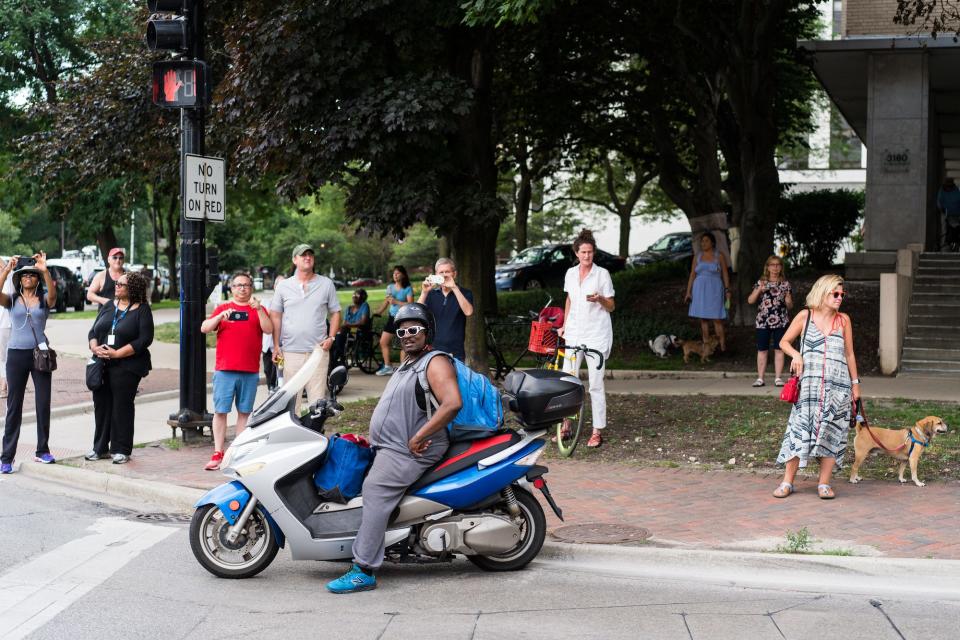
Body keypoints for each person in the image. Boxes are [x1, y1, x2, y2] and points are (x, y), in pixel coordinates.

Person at [326, 303, 461, 594]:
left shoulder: (435, 361)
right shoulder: (409, 361)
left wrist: (419, 436)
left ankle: (363, 569)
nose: (407, 335)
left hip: (412, 448)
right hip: (392, 446)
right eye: (402, 331)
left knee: (375, 489)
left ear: (428, 332)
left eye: (414, 329)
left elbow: (452, 403)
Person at [773, 274, 860, 500]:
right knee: (799, 430)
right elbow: (783, 342)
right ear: (823, 292)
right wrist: (795, 354)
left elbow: (849, 354)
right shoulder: (805, 316)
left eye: (842, 294)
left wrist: (855, 386)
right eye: (836, 293)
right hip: (808, 388)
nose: (840, 297)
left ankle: (823, 484)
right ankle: (787, 482)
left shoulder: (844, 321)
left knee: (832, 431)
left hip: (837, 388)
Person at [200, 272, 273, 471]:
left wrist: (259, 310)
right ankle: (218, 452)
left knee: (244, 412)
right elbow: (204, 328)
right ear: (231, 288)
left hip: (249, 370)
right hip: (225, 370)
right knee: (221, 411)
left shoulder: (258, 309)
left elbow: (268, 329)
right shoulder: (223, 308)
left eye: (247, 285)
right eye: (239, 285)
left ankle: (238, 452)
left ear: (251, 288)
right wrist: (219, 318)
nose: (243, 288)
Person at [85, 272, 154, 464]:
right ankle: (99, 448)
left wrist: (117, 353)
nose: (116, 286)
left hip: (127, 365)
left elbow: (144, 340)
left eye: (121, 284)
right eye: (116, 283)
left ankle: (121, 449)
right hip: (102, 364)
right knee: (101, 406)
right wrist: (94, 346)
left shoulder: (142, 310)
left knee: (121, 407)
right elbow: (93, 331)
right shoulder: (108, 306)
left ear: (132, 288)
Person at [557, 229, 615, 449]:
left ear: (594, 253)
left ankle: (596, 431)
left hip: (596, 335)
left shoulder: (602, 275)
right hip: (574, 333)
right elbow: (570, 299)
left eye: (590, 252)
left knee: (595, 384)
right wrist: (564, 324)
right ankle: (566, 424)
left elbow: (612, 306)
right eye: (583, 252)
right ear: (577, 252)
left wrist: (600, 298)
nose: (587, 256)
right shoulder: (571, 274)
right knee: (568, 381)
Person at [0, 253, 57, 474]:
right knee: (14, 406)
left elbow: (53, 295)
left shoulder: (44, 300)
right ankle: (6, 457)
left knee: (43, 404)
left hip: (39, 356)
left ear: (37, 279)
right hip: (16, 356)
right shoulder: (12, 299)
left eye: (32, 275)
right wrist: (7, 269)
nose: (28, 278)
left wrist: (45, 269)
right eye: (24, 275)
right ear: (19, 278)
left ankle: (42, 450)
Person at [269, 244, 341, 411]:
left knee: (317, 403)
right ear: (295, 260)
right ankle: (293, 436)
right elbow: (276, 316)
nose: (307, 258)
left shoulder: (326, 284)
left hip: (318, 351)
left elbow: (336, 313)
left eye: (310, 255)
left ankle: (315, 435)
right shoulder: (283, 286)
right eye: (303, 255)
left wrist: (331, 337)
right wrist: (276, 346)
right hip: (291, 352)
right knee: (291, 403)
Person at [746, 255, 793, 387]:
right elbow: (750, 300)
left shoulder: (785, 284)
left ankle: (778, 378)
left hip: (781, 320)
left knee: (779, 349)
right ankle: (760, 378)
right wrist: (759, 289)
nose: (775, 267)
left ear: (781, 267)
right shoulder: (761, 282)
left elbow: (790, 306)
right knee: (762, 349)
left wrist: (788, 301)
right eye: (772, 265)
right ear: (767, 267)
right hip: (763, 321)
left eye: (778, 265)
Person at [417, 257, 474, 361]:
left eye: (447, 272)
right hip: (432, 348)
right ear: (436, 275)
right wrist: (424, 292)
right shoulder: (430, 294)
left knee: (454, 377)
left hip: (456, 350)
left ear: (454, 274)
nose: (444, 275)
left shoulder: (465, 293)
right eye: (441, 272)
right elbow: (416, 313)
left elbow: (468, 312)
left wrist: (454, 288)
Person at [684, 231, 731, 352]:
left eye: (706, 241)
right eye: (702, 241)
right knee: (703, 319)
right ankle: (706, 347)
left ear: (712, 243)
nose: (703, 243)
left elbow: (725, 274)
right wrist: (688, 292)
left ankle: (722, 346)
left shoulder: (719, 256)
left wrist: (727, 289)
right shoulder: (697, 256)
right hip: (699, 288)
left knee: (717, 318)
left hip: (715, 288)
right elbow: (692, 275)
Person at [373, 265, 414, 376]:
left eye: (398, 273)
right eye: (394, 273)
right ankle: (388, 367)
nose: (395, 275)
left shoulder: (408, 288)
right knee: (383, 342)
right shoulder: (390, 287)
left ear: (403, 275)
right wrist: (379, 312)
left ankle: (402, 368)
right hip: (392, 318)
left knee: (404, 344)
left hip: (403, 318)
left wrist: (397, 302)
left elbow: (411, 304)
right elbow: (387, 301)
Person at [333, 289, 371, 367]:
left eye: (357, 295)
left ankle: (338, 360)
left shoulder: (364, 305)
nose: (354, 296)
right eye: (353, 295)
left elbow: (363, 322)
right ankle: (336, 359)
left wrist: (349, 325)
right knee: (336, 337)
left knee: (339, 337)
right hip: (348, 333)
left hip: (360, 332)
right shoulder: (349, 308)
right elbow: (344, 322)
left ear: (363, 297)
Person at [262, 274, 285, 392]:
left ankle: (279, 390)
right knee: (268, 369)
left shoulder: (289, 304)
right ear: (275, 287)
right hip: (267, 345)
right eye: (278, 284)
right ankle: (270, 389)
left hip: (282, 345)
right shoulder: (266, 302)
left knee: (280, 371)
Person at [0, 271, 13, 399]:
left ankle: (4, 386)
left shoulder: (8, 280)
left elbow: (6, 269)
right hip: (3, 324)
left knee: (4, 357)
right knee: (3, 357)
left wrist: (6, 267)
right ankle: (5, 384)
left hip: (5, 323)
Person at [937, 177, 960, 250]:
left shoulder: (956, 190)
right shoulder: (942, 190)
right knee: (944, 229)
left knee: (955, 229)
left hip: (955, 214)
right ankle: (943, 244)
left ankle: (954, 243)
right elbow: (939, 201)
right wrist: (942, 208)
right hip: (945, 212)